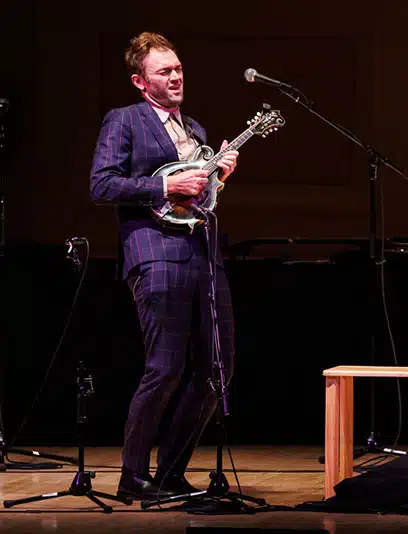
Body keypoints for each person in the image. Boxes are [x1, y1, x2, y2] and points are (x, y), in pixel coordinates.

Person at [89, 32, 239, 500]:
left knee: (218, 369)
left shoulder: (193, 128)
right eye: (164, 71)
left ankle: (171, 470)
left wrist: (216, 177)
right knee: (165, 367)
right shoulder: (126, 121)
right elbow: (102, 185)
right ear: (140, 80)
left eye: (177, 68)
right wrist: (163, 189)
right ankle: (132, 477)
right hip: (155, 255)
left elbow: (196, 197)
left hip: (202, 254)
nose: (175, 77)